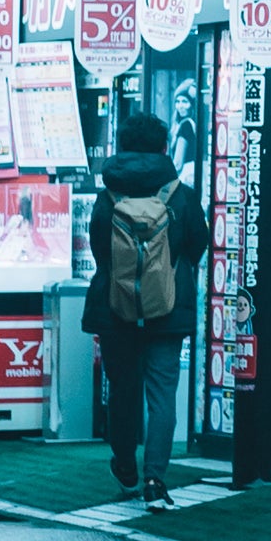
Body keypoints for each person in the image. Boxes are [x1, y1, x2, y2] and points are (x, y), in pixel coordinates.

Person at [89, 109, 208, 511]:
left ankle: (125, 467)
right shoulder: (181, 196)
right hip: (168, 311)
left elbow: (99, 251)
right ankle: (156, 479)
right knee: (162, 395)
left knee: (122, 391)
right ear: (163, 146)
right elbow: (197, 245)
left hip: (115, 309)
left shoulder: (107, 197)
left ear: (121, 146)